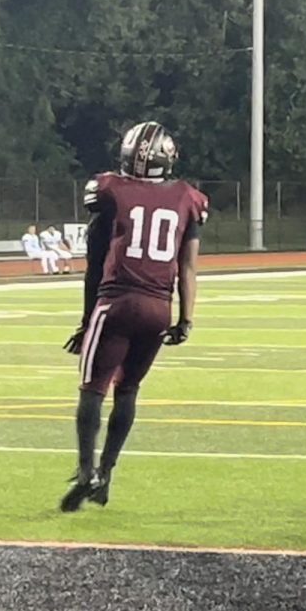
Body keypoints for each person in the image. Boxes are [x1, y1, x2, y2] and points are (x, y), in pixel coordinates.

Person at [59, 121, 209, 512]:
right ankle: (107, 472)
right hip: (159, 309)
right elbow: (187, 267)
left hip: (117, 301)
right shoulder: (188, 198)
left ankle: (86, 468)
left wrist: (87, 318)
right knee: (128, 390)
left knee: (93, 389)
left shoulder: (110, 190)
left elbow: (95, 263)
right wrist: (185, 320)